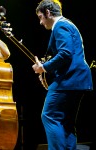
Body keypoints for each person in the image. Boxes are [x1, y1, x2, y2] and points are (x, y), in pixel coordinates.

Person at [32, 0, 93, 149]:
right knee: (66, 122)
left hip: (69, 80)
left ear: (48, 13)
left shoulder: (60, 26)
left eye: (40, 17)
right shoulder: (68, 24)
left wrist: (44, 68)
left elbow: (65, 54)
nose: (40, 22)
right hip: (79, 80)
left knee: (49, 116)